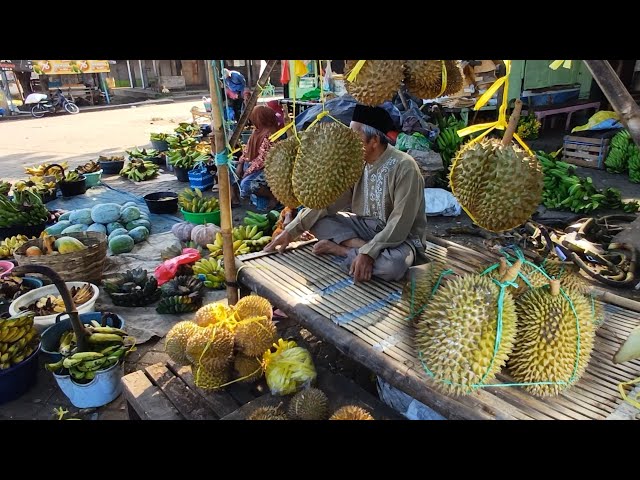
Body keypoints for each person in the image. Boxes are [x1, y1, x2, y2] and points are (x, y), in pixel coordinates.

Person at [264, 104, 428, 283]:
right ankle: (361, 249)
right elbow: (329, 202)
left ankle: (342, 250)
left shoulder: (405, 167)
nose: (349, 140)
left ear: (373, 141)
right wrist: (291, 230)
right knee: (315, 220)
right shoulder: (357, 163)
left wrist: (369, 252)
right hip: (364, 228)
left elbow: (400, 222)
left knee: (392, 266)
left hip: (400, 239)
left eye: (355, 135)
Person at [230, 105, 280, 209]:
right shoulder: (257, 131)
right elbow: (246, 150)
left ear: (261, 118)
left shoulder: (271, 134)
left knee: (247, 185)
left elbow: (262, 160)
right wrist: (240, 164)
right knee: (227, 168)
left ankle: (273, 197)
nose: (252, 120)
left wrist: (247, 172)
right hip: (251, 164)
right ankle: (234, 198)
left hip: (265, 168)